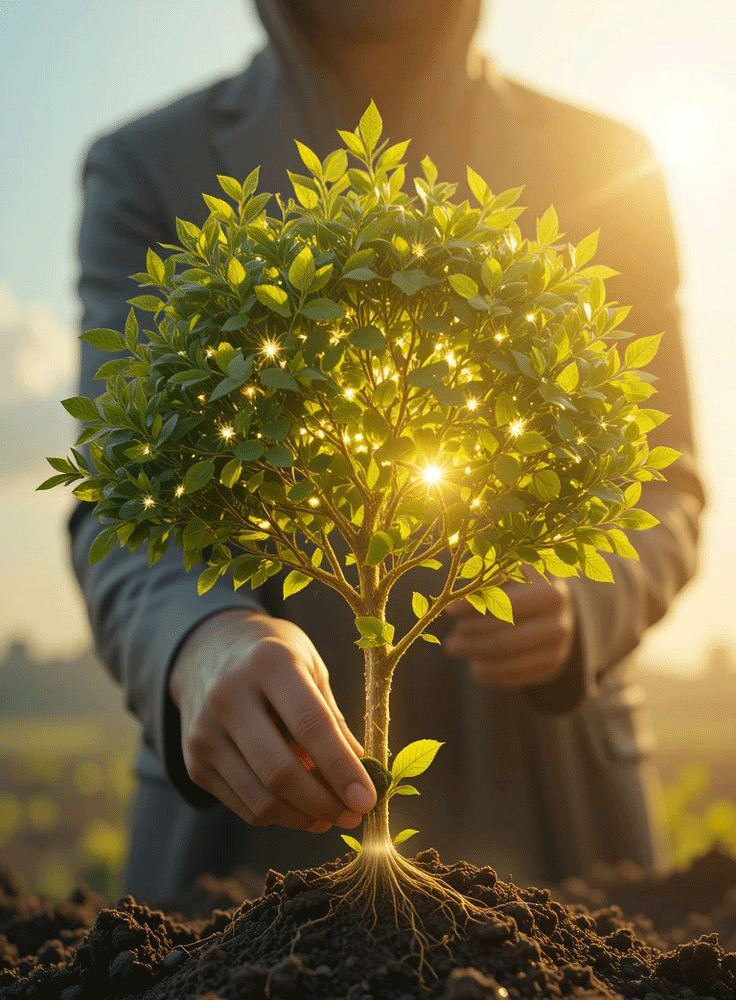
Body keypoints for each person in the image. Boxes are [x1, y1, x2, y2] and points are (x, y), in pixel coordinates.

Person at [68, 0, 705, 902]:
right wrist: (201, 640)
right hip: (244, 844)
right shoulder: (149, 165)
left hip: (560, 825)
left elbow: (666, 481)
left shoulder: (609, 162)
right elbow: (122, 493)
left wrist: (585, 599)